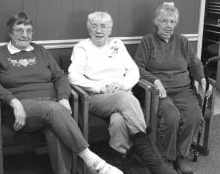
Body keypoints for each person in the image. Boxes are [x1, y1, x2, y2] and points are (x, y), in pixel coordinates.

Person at [0, 11, 123, 174]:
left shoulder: (40, 50)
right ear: (10, 33)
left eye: (29, 30)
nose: (25, 35)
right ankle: (93, 161)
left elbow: (60, 76)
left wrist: (63, 98)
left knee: (56, 133)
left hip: (52, 108)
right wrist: (14, 102)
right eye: (19, 30)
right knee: (53, 109)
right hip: (22, 108)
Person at [68, 11, 177, 174]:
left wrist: (123, 84)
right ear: (89, 29)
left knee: (118, 120)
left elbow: (133, 70)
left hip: (122, 94)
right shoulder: (82, 47)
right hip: (96, 98)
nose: (99, 30)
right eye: (94, 26)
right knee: (126, 100)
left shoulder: (117, 44)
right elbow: (73, 76)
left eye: (103, 26)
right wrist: (100, 87)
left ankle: (119, 161)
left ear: (110, 30)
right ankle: (153, 160)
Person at [134, 3, 209, 174]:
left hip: (183, 90)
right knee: (171, 117)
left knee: (194, 116)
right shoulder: (148, 40)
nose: (168, 26)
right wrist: (155, 81)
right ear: (156, 22)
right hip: (160, 92)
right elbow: (137, 67)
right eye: (164, 21)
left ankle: (181, 156)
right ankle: (168, 158)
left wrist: (202, 78)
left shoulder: (182, 41)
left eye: (172, 22)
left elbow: (194, 63)